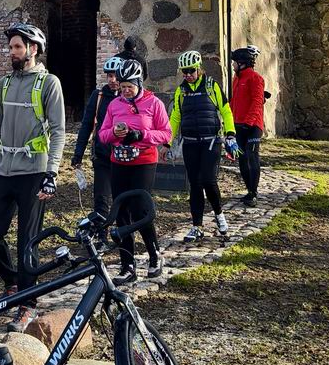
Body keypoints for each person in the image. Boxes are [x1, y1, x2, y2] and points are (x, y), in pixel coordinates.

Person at [0, 22, 66, 332]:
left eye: (17, 47)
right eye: (10, 47)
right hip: (3, 170)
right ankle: (13, 282)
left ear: (33, 49)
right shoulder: (3, 85)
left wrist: (52, 173)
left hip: (34, 173)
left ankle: (27, 304)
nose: (11, 52)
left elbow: (58, 132)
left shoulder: (49, 83)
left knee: (28, 242)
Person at [98, 59, 171, 284]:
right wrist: (115, 134)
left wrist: (141, 136)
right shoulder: (114, 105)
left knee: (140, 210)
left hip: (144, 161)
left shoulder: (153, 103)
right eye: (122, 87)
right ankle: (127, 264)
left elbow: (166, 134)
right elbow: (102, 135)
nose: (125, 91)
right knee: (121, 211)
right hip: (119, 161)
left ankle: (154, 254)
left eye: (130, 86)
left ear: (139, 83)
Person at [168, 50, 239, 243]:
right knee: (195, 185)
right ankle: (196, 226)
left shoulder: (211, 86)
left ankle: (219, 215)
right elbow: (175, 117)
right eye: (184, 72)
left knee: (208, 179)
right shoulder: (180, 91)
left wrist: (230, 134)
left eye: (190, 71)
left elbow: (225, 110)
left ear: (199, 68)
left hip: (211, 142)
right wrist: (167, 141)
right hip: (190, 143)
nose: (187, 75)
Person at [71, 56, 123, 230]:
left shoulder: (127, 96)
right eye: (109, 75)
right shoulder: (98, 96)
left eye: (115, 75)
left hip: (123, 157)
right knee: (101, 199)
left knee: (121, 197)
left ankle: (123, 233)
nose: (112, 80)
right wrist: (78, 153)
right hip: (101, 154)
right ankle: (101, 235)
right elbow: (86, 125)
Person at [230, 46, 265, 207]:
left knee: (252, 157)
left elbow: (257, 102)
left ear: (242, 63)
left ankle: (254, 192)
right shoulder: (236, 78)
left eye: (234, 62)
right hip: (238, 124)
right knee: (242, 159)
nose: (232, 65)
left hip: (252, 126)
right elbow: (233, 101)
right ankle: (249, 190)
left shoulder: (255, 78)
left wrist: (248, 122)